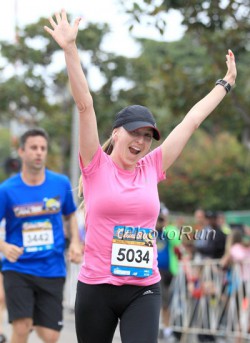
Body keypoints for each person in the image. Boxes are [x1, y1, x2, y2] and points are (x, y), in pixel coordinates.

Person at [44, 9, 237, 343]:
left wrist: (225, 84)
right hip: (96, 286)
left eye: (148, 136)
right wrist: (70, 49)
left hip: (143, 288)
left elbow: (190, 122)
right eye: (135, 133)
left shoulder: (153, 167)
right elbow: (85, 105)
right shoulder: (95, 166)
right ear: (117, 133)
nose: (141, 141)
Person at [0, 128, 82, 343]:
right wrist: (3, 246)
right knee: (22, 327)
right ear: (21, 151)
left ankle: (36, 314)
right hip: (18, 267)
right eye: (34, 148)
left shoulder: (60, 183)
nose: (39, 152)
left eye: (43, 148)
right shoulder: (7, 190)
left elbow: (70, 215)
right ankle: (28, 316)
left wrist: (75, 242)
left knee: (51, 335)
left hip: (52, 268)